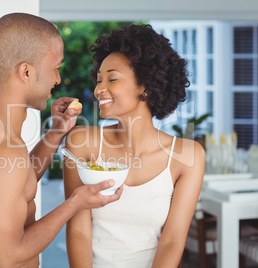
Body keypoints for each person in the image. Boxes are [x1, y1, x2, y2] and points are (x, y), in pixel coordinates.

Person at [0, 13, 123, 268]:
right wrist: (75, 202)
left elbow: (14, 182)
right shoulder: (3, 152)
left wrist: (55, 134)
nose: (57, 79)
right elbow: (7, 257)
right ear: (26, 71)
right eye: (55, 68)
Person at [64, 24, 205, 268]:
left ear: (146, 85)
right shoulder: (81, 143)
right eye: (99, 80)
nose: (99, 89)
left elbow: (172, 240)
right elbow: (78, 230)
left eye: (112, 78)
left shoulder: (187, 156)